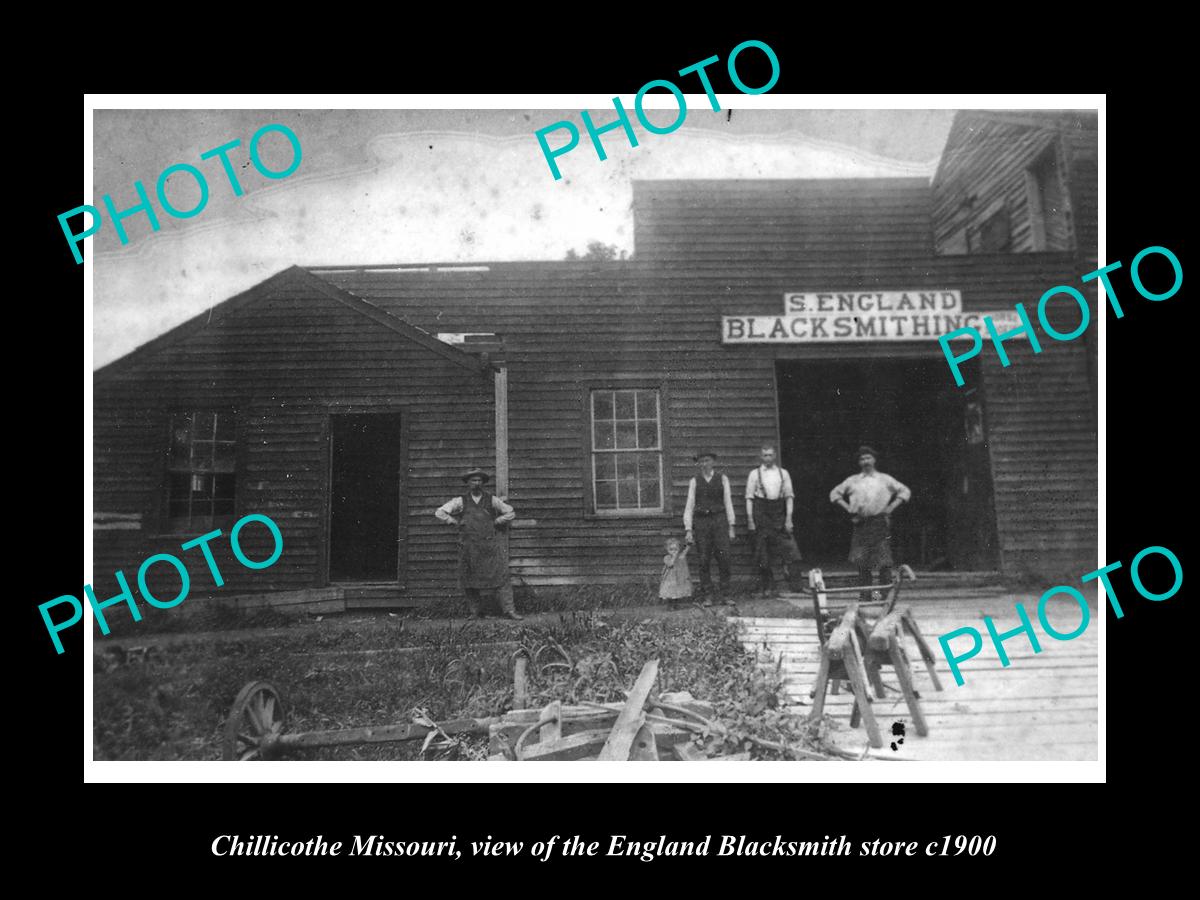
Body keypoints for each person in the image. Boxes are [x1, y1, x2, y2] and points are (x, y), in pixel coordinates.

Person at [434, 467, 523, 620]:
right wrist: (454, 521)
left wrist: (497, 521)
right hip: (468, 546)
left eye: (479, 480)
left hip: (489, 546)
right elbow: (440, 512)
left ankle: (509, 610)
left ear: (483, 483)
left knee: (501, 577)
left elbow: (510, 512)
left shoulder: (492, 499)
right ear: (468, 483)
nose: (476, 483)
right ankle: (475, 612)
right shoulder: (460, 501)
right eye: (473, 480)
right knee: (469, 579)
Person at [829, 445, 911, 601]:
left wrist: (891, 507)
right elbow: (834, 493)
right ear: (859, 462)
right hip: (861, 523)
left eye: (868, 458)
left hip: (879, 522)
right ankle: (865, 595)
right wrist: (847, 508)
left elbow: (905, 491)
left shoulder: (885, 479)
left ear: (874, 460)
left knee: (884, 562)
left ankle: (883, 596)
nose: (865, 461)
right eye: (862, 459)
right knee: (862, 561)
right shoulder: (852, 480)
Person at [744, 444, 798, 598]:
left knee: (789, 548)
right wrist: (750, 520)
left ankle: (796, 585)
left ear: (775, 456)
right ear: (761, 457)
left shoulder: (783, 473)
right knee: (763, 551)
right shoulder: (754, 474)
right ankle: (768, 586)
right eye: (765, 455)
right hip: (761, 512)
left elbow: (789, 497)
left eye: (770, 455)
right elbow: (749, 498)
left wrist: (789, 519)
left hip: (779, 512)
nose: (767, 458)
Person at [683, 451, 736, 605]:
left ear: (713, 462)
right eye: (701, 461)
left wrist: (731, 526)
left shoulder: (722, 479)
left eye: (707, 460)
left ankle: (726, 594)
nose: (704, 464)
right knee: (704, 559)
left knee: (724, 558)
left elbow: (728, 502)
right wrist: (688, 529)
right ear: (699, 464)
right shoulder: (694, 481)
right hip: (701, 522)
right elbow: (689, 505)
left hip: (719, 521)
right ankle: (708, 595)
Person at [658, 536, 693, 608]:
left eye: (675, 549)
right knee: (670, 592)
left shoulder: (680, 556)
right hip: (670, 579)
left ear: (679, 549)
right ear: (667, 549)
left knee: (677, 591)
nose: (673, 551)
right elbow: (670, 564)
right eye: (671, 549)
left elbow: (685, 551)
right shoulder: (667, 557)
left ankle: (675, 605)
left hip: (678, 578)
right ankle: (670, 605)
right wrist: (673, 556)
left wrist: (688, 545)